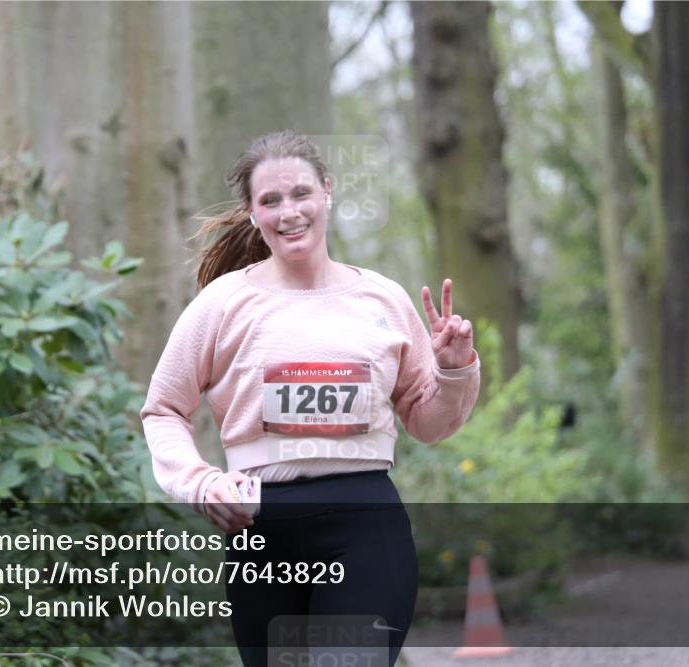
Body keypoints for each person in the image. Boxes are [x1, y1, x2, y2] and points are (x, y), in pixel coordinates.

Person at [139, 129, 480, 666]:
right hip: (258, 526)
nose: (288, 211)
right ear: (252, 213)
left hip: (364, 523)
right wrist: (201, 483)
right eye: (270, 200)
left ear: (327, 191)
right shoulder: (223, 303)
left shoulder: (382, 299)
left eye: (300, 194)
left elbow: (428, 422)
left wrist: (454, 371)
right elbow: (162, 410)